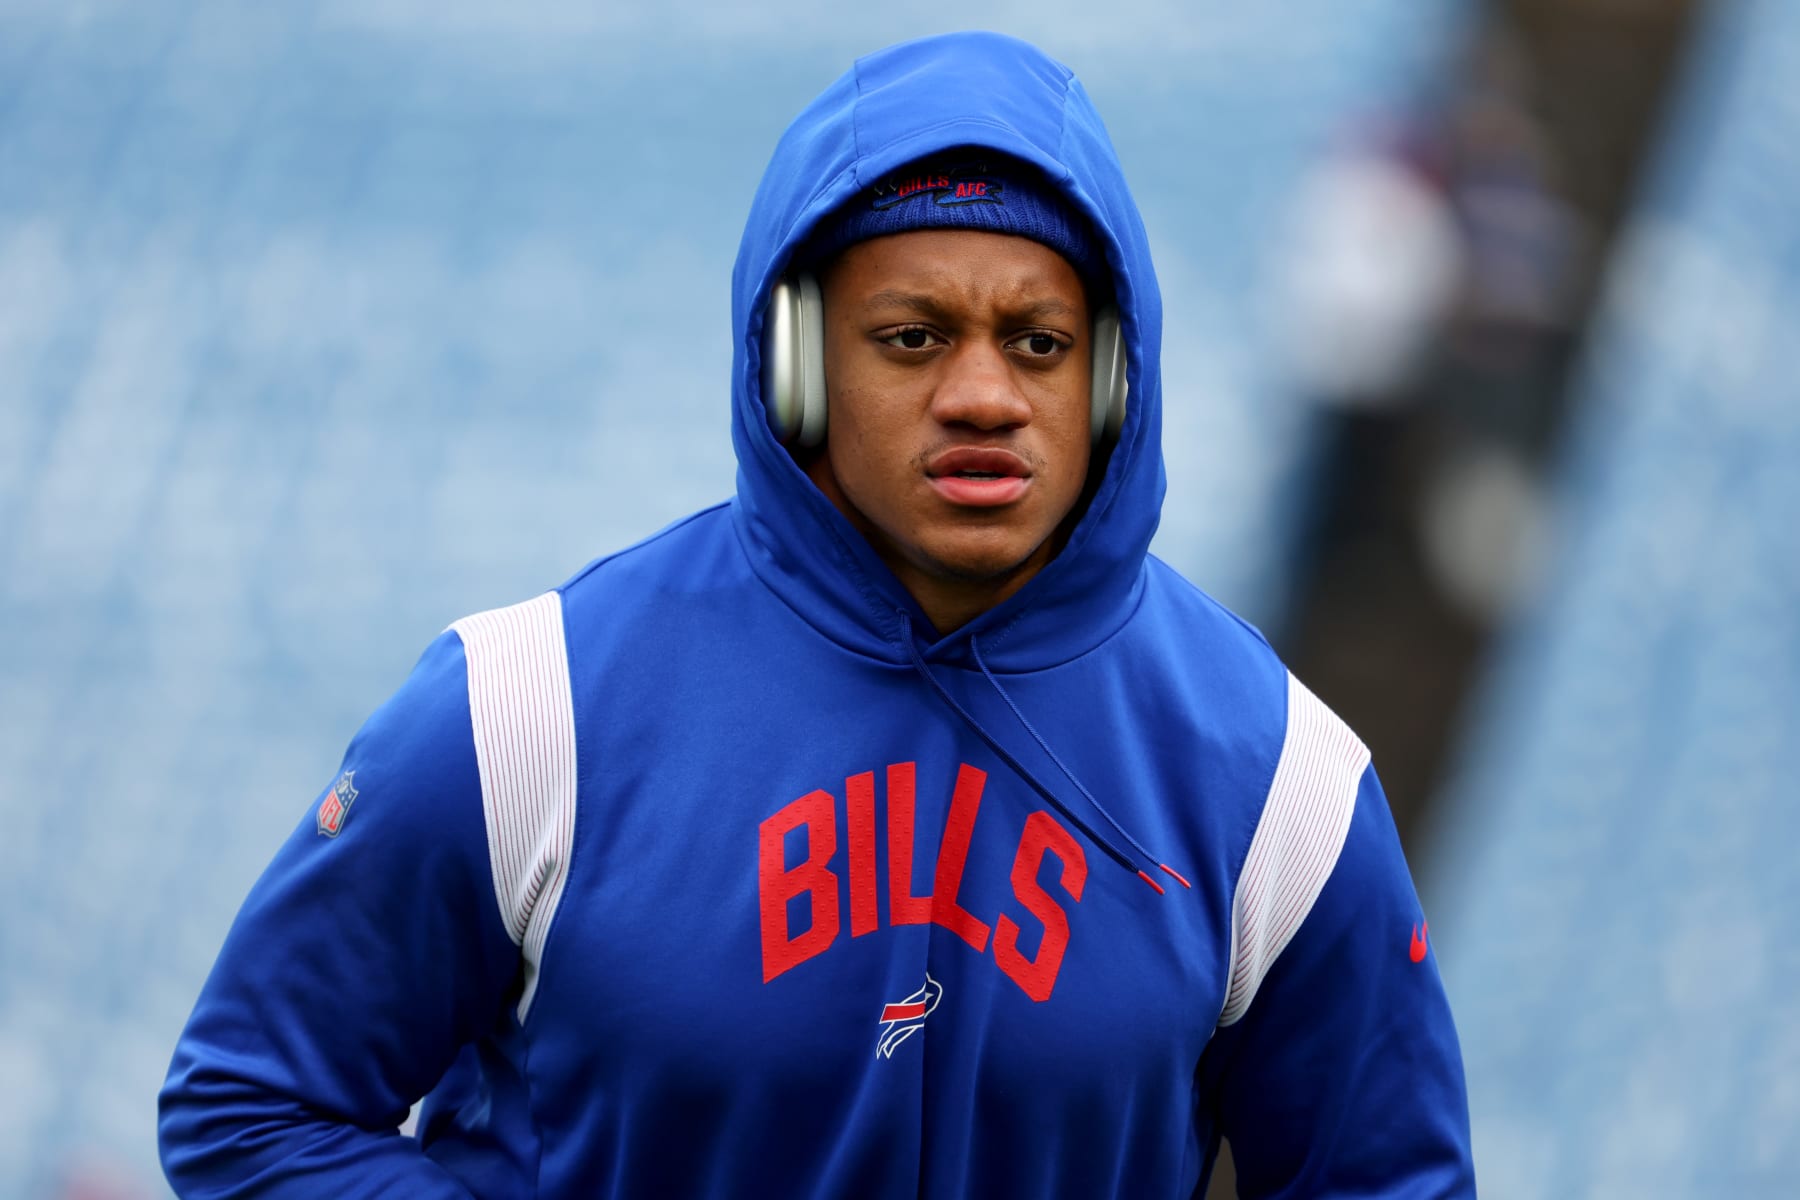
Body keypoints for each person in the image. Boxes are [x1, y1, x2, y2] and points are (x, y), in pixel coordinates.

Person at [159, 31, 1475, 1199]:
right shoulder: (526, 712)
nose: (984, 397)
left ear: (1115, 380)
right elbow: (247, 1109)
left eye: (1038, 342)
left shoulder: (1278, 784)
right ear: (794, 370)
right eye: (912, 337)